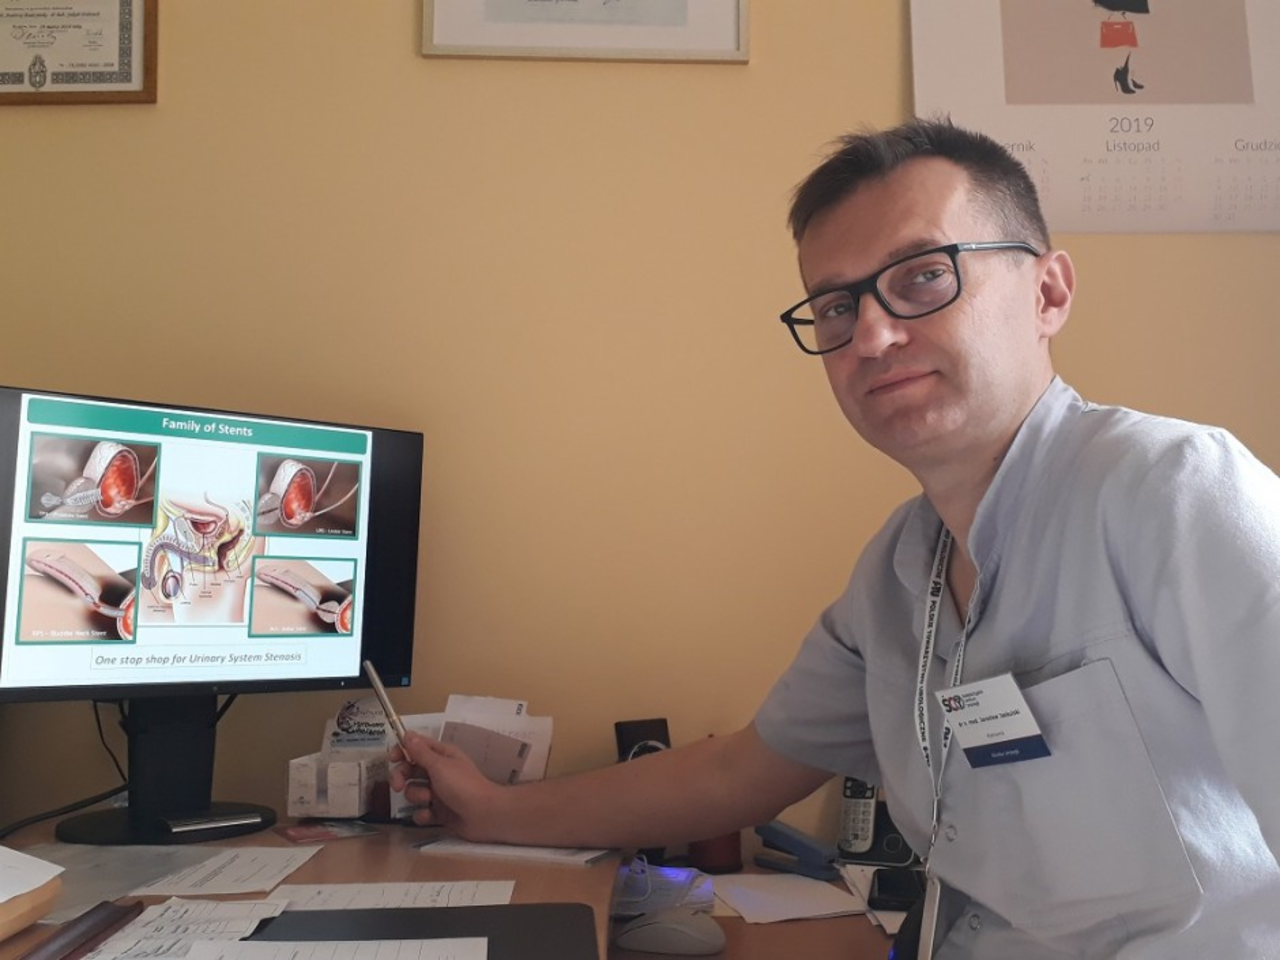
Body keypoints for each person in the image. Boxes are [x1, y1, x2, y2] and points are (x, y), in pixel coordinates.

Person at [391, 118, 1280, 958]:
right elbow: (737, 775)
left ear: (1048, 293)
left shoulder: (1172, 492)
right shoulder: (898, 576)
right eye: (836, 307)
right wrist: (493, 810)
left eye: (923, 276)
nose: (873, 335)